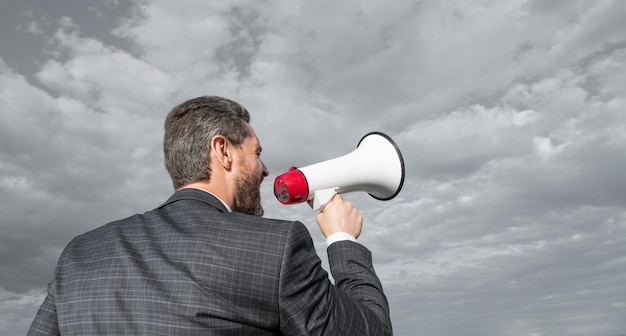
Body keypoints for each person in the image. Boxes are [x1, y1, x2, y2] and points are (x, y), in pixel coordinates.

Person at [28, 95, 392, 335]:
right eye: (256, 152)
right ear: (223, 151)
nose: (265, 170)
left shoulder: (80, 254)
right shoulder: (277, 245)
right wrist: (342, 239)